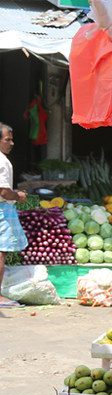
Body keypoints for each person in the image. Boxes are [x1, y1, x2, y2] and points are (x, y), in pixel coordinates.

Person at [0, 123, 28, 307]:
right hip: (2, 209)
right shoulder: (2, 161)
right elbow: (3, 192)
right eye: (7, 139)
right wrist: (18, 195)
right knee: (0, 252)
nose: (12, 143)